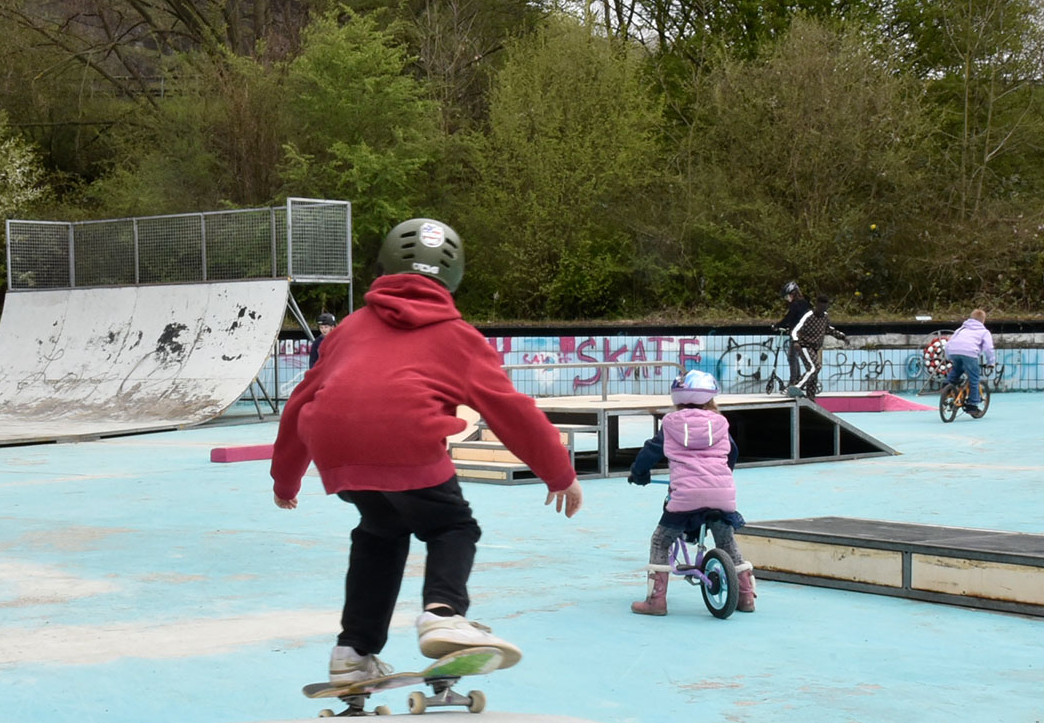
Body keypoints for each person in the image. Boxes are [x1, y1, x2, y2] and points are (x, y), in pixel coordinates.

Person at [270, 218, 584, 685]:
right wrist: (560, 473)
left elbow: (299, 402)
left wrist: (286, 479)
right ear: (453, 279)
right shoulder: (458, 336)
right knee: (453, 526)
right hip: (408, 440)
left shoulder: (347, 330)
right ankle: (442, 614)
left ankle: (353, 651)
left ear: (384, 267)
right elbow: (509, 410)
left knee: (380, 532)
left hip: (336, 448)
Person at [625, 370, 756, 615]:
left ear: (677, 398)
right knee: (726, 540)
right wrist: (722, 477)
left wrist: (639, 474)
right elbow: (733, 454)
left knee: (661, 540)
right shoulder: (720, 423)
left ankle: (656, 601)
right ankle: (746, 597)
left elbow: (649, 453)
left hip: (686, 495)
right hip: (722, 492)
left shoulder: (671, 424)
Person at [786, 295, 847, 399]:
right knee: (815, 367)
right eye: (820, 307)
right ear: (816, 305)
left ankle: (811, 398)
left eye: (824, 308)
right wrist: (796, 341)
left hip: (814, 348)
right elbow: (795, 330)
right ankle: (796, 386)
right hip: (803, 346)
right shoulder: (808, 315)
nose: (822, 310)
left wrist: (842, 336)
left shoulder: (825, 317)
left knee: (813, 374)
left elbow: (829, 329)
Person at [944, 308, 997, 418]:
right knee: (974, 378)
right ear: (983, 321)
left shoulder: (961, 329)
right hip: (969, 353)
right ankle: (972, 405)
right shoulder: (984, 332)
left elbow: (949, 343)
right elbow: (988, 349)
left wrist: (948, 356)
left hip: (954, 351)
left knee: (957, 370)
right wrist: (991, 362)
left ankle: (947, 387)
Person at [771, 281, 812, 394]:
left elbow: (789, 318)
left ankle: (793, 382)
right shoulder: (805, 303)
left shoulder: (796, 304)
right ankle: (798, 379)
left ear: (792, 293)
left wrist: (777, 325)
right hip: (804, 333)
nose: (787, 298)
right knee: (795, 357)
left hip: (797, 335)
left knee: (792, 357)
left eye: (787, 296)